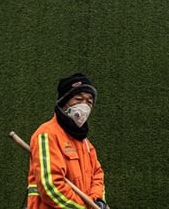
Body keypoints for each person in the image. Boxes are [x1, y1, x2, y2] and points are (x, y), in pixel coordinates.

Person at [26, 72, 109, 209]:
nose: (84, 106)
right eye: (78, 99)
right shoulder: (47, 134)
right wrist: (84, 207)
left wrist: (98, 200)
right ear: (64, 102)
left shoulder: (86, 144)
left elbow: (97, 175)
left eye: (89, 101)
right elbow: (51, 187)